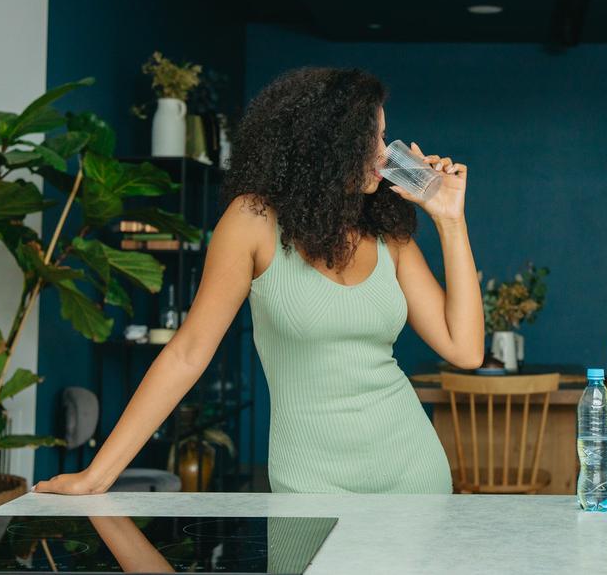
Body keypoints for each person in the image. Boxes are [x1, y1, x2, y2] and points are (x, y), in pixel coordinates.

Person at [37, 67, 483, 494]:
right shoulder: (252, 221)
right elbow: (188, 354)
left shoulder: (389, 235)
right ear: (331, 141)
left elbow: (465, 350)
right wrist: (97, 476)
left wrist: (451, 221)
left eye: (385, 135)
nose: (386, 153)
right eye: (375, 137)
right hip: (311, 484)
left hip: (412, 474)